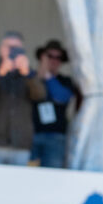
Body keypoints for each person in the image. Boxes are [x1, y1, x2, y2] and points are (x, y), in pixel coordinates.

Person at [0, 31, 46, 165]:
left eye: (17, 48)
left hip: (19, 144)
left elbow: (40, 95)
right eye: (9, 47)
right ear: (2, 49)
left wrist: (27, 74)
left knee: (16, 185)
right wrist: (0, 73)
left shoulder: (29, 75)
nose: (13, 51)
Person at [31, 40, 82, 168]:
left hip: (55, 137)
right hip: (30, 134)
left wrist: (48, 75)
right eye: (49, 56)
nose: (54, 60)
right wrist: (40, 74)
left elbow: (62, 97)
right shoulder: (31, 78)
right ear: (42, 57)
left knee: (51, 177)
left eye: (58, 57)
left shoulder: (65, 80)